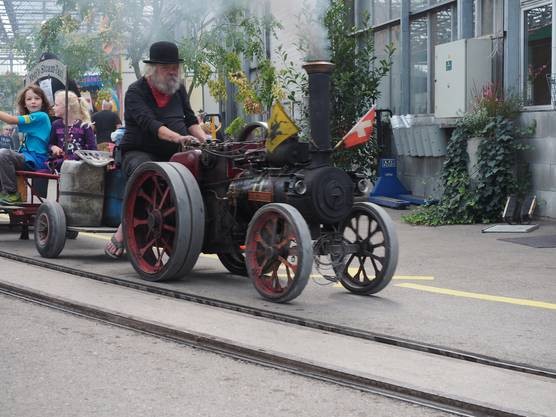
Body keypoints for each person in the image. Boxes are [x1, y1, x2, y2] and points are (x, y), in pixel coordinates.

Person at [104, 41, 210, 258]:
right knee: (148, 171)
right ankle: (128, 230)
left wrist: (206, 140)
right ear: (151, 70)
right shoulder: (135, 91)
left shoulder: (178, 88)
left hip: (175, 152)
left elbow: (190, 120)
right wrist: (180, 138)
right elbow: (151, 125)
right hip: (139, 151)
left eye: (175, 67)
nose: (172, 71)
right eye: (166, 67)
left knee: (208, 167)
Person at [0, 85, 52, 204]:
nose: (33, 101)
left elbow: (11, 120)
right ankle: (3, 192)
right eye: (29, 99)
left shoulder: (41, 116)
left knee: (3, 154)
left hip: (36, 159)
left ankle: (11, 193)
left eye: (37, 98)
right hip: (27, 157)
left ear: (43, 102)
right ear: (24, 103)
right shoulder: (32, 118)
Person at [49, 90, 97, 172]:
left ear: (67, 107)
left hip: (80, 168)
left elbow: (93, 149)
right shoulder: (55, 125)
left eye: (56, 105)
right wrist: (53, 147)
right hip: (62, 167)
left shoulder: (85, 126)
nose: (53, 107)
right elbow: (50, 144)